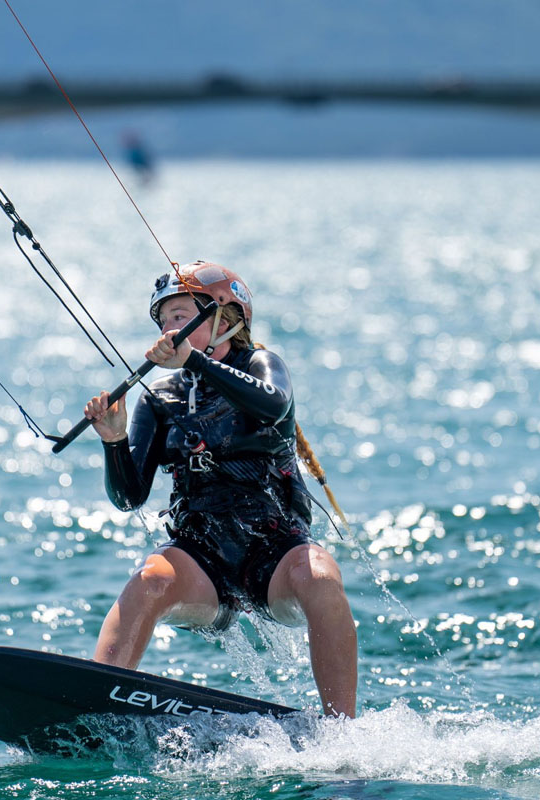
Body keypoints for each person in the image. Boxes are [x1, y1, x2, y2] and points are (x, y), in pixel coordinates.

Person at [83, 261, 358, 718]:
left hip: (276, 553)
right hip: (201, 559)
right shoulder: (159, 398)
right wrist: (114, 441)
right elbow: (129, 497)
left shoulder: (262, 366)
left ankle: (342, 730)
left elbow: (273, 405)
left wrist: (195, 361)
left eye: (180, 316)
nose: (168, 329)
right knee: (148, 581)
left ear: (224, 318)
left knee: (322, 578)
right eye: (163, 320)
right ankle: (95, 705)